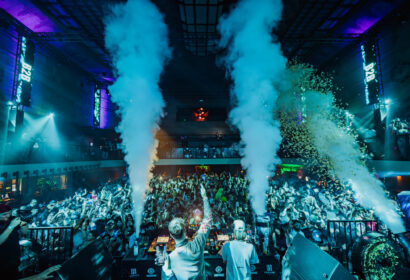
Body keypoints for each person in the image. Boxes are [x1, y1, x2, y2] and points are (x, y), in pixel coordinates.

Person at [157, 184, 212, 280]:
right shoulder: (197, 244)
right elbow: (208, 219)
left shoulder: (170, 259)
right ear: (185, 230)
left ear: (171, 235)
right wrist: (204, 197)